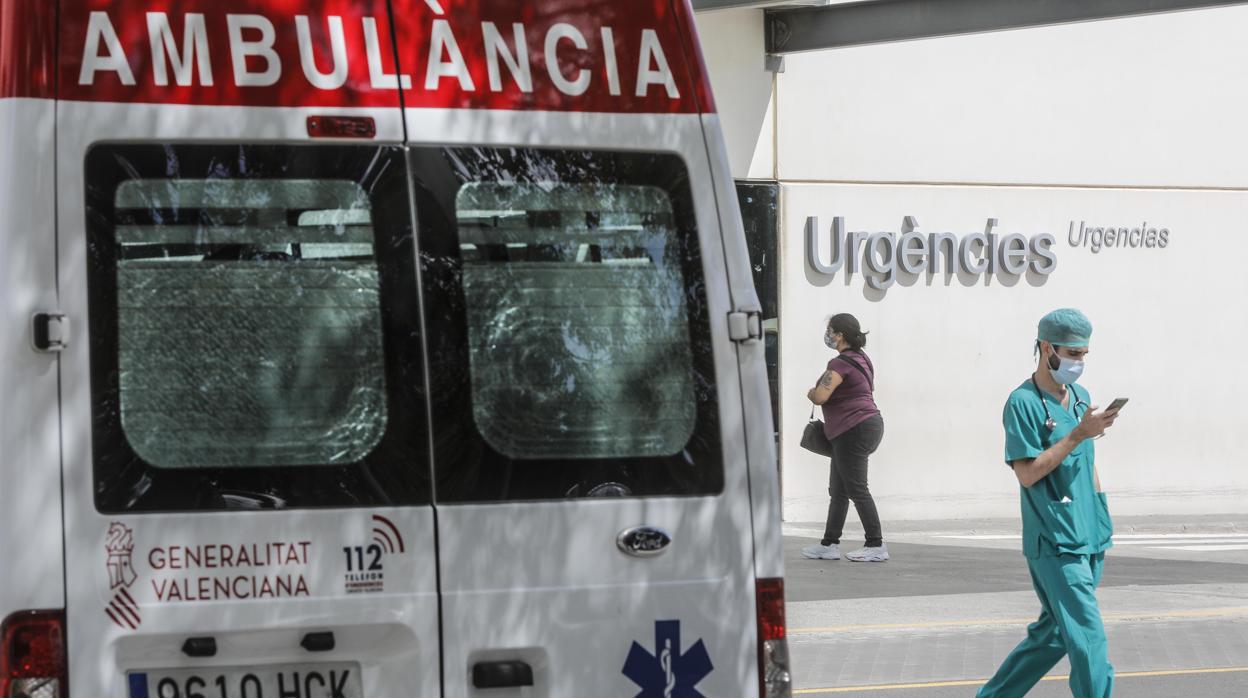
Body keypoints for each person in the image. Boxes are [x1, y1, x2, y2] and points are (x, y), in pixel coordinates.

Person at [978, 308, 1121, 698]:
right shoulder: (1021, 403)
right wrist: (1076, 436)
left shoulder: (1080, 398)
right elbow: (1027, 473)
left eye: (1084, 354)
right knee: (1088, 638)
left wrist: (1101, 513)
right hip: (1055, 539)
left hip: (1089, 532)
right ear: (1046, 347)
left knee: (1055, 633)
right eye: (1072, 353)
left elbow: (1088, 464)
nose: (1078, 362)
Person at [801, 313, 887, 563]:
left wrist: (810, 392)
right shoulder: (863, 359)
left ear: (840, 334)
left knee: (857, 488)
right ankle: (829, 544)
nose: (828, 335)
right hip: (862, 426)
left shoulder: (839, 364)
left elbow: (820, 397)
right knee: (838, 490)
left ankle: (876, 545)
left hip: (854, 429)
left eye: (830, 330)